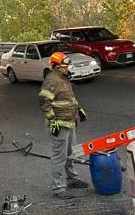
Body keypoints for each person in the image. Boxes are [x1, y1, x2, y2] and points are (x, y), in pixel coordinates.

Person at [38, 51, 89, 200]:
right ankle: (58, 188)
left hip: (70, 121)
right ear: (56, 66)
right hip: (59, 124)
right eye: (64, 66)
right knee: (59, 157)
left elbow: (69, 97)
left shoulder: (64, 78)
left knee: (71, 153)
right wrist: (52, 121)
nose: (68, 68)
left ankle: (72, 179)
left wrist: (79, 110)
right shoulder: (52, 80)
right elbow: (43, 101)